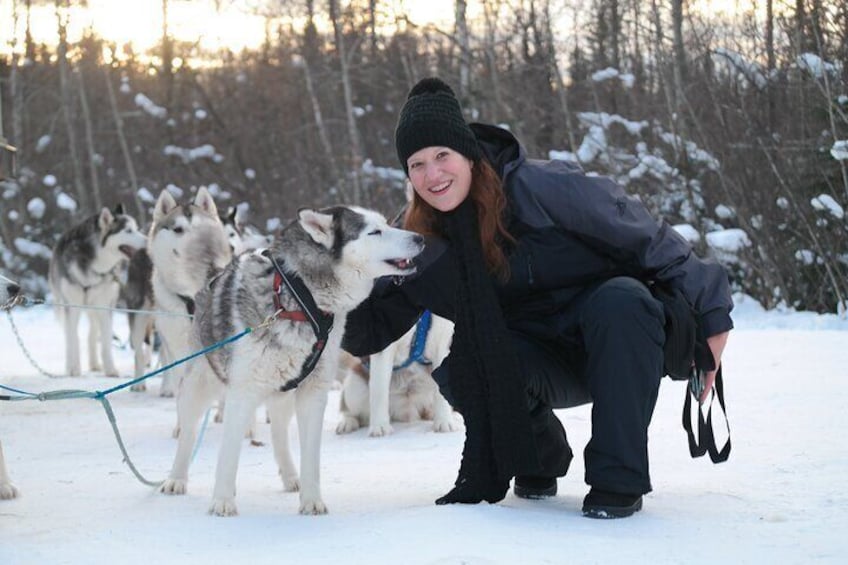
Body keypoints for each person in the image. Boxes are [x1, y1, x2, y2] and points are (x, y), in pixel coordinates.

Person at [342, 77, 733, 519]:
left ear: (467, 153)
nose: (432, 175)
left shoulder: (544, 187)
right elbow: (368, 327)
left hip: (613, 345)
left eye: (442, 156)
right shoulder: (419, 241)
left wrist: (713, 319)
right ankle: (537, 458)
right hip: (533, 364)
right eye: (417, 164)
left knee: (624, 299)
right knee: (462, 366)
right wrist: (321, 292)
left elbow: (653, 240)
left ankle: (617, 479)